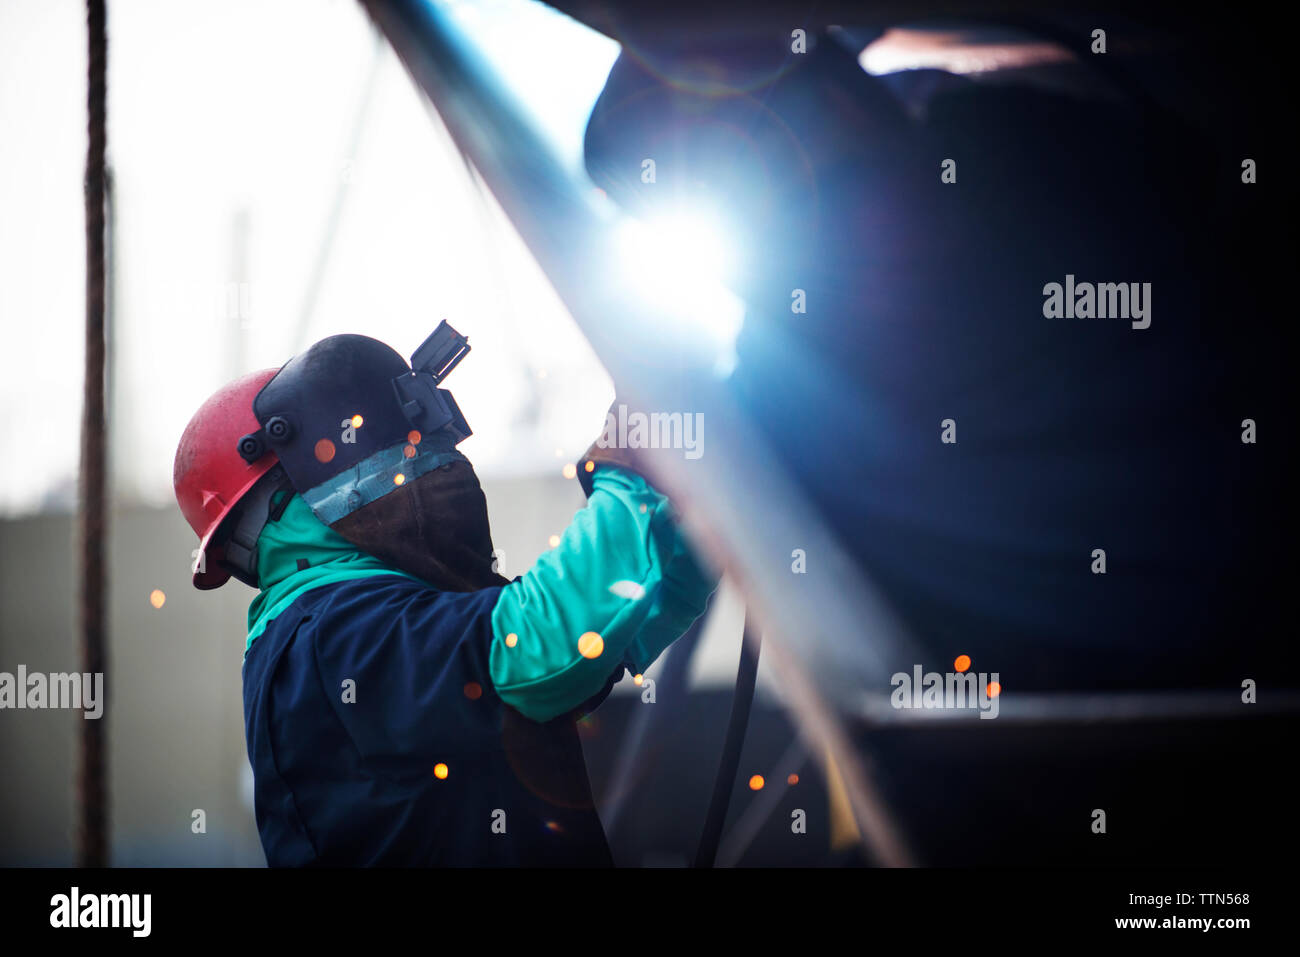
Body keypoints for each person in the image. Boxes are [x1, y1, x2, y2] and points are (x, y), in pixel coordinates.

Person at [173, 326, 718, 866]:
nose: (421, 461)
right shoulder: (329, 637)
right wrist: (629, 469)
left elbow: (592, 649)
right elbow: (544, 647)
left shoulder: (378, 613)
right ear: (285, 489)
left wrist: (700, 526)